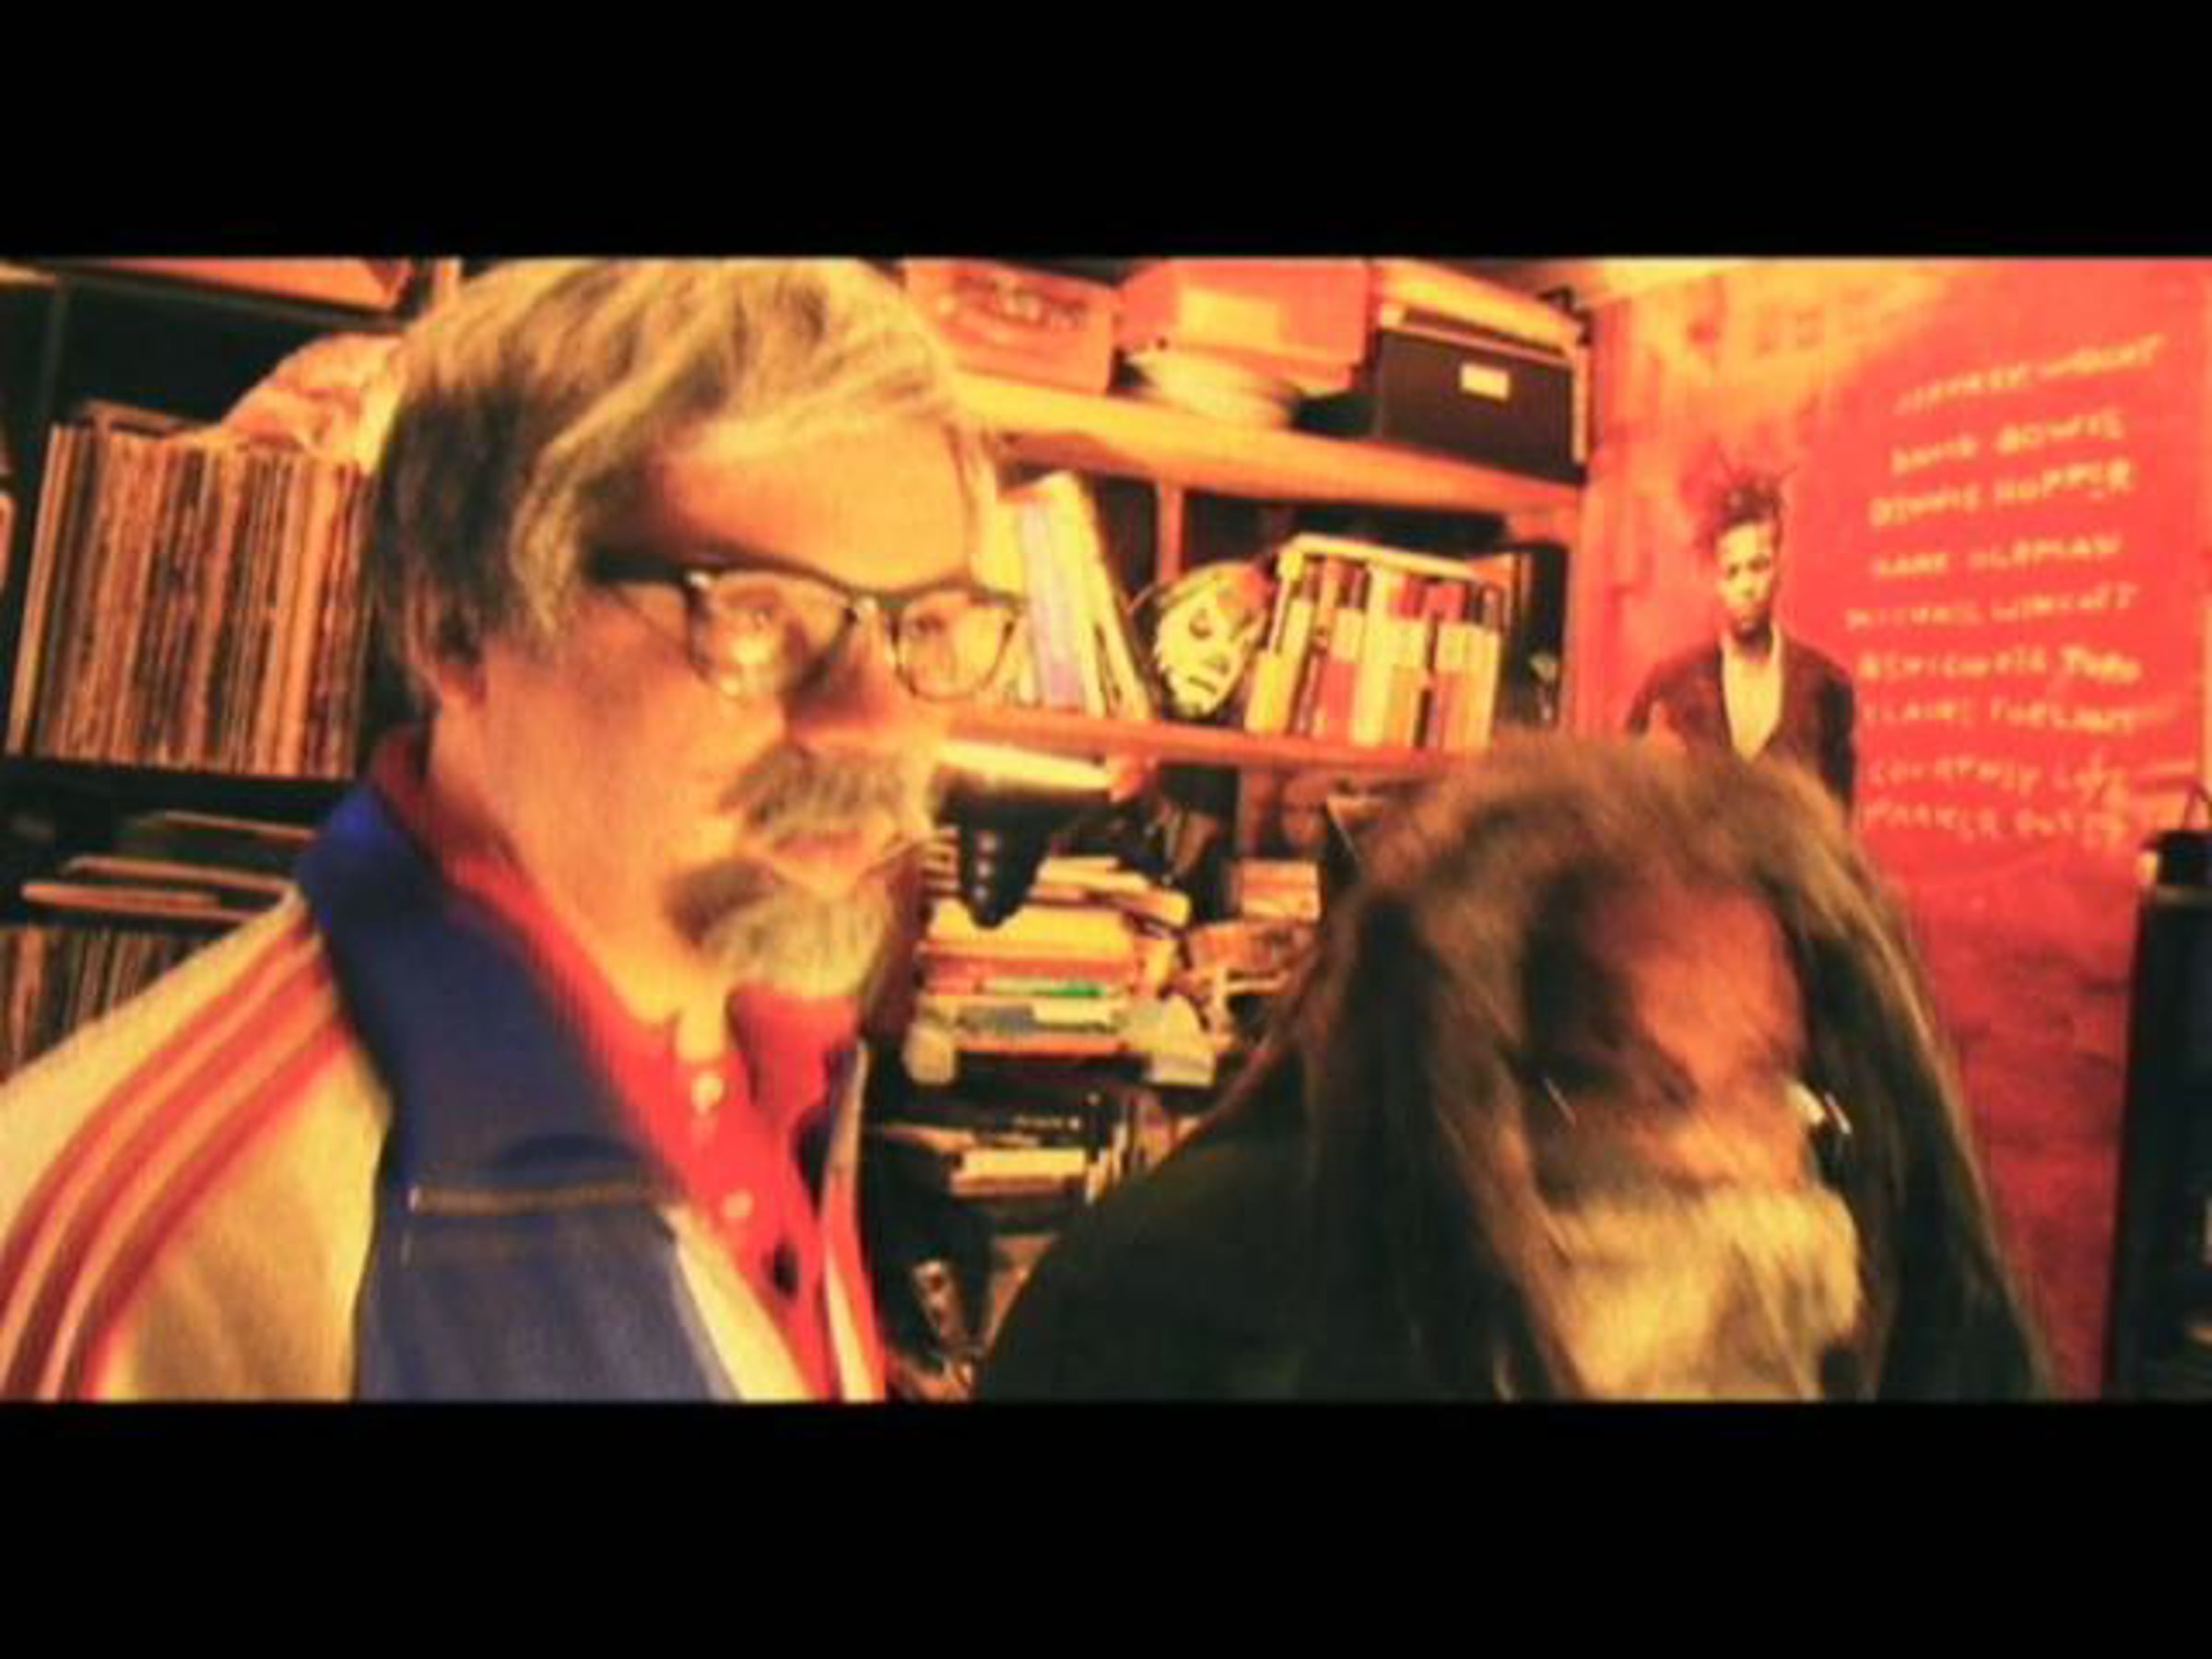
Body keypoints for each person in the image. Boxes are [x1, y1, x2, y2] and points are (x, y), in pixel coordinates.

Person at [0, 260, 1022, 1400]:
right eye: (758, 616)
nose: (881, 722)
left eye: (930, 626)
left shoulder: (788, 1068)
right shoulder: (182, 1261)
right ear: (459, 628)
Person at [981, 736, 2050, 1399]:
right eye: (1613, 1084)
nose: (1713, 1161)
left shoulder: (1851, 1292)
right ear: (1449, 1063)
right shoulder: (1165, 1305)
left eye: (1764, 1082)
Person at [1626, 468, 1856, 807]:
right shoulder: (1670, 686)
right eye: (1732, 572)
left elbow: (1837, 817)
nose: (1746, 586)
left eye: (1758, 566)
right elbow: (1629, 799)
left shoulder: (1826, 686)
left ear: (1779, 567)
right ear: (1715, 579)